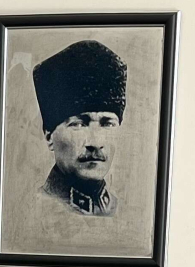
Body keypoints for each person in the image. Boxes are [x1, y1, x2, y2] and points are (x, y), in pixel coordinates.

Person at [32, 40, 127, 217]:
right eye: (79, 124)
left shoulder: (125, 213)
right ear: (49, 136)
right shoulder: (31, 212)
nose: (96, 142)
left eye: (107, 123)